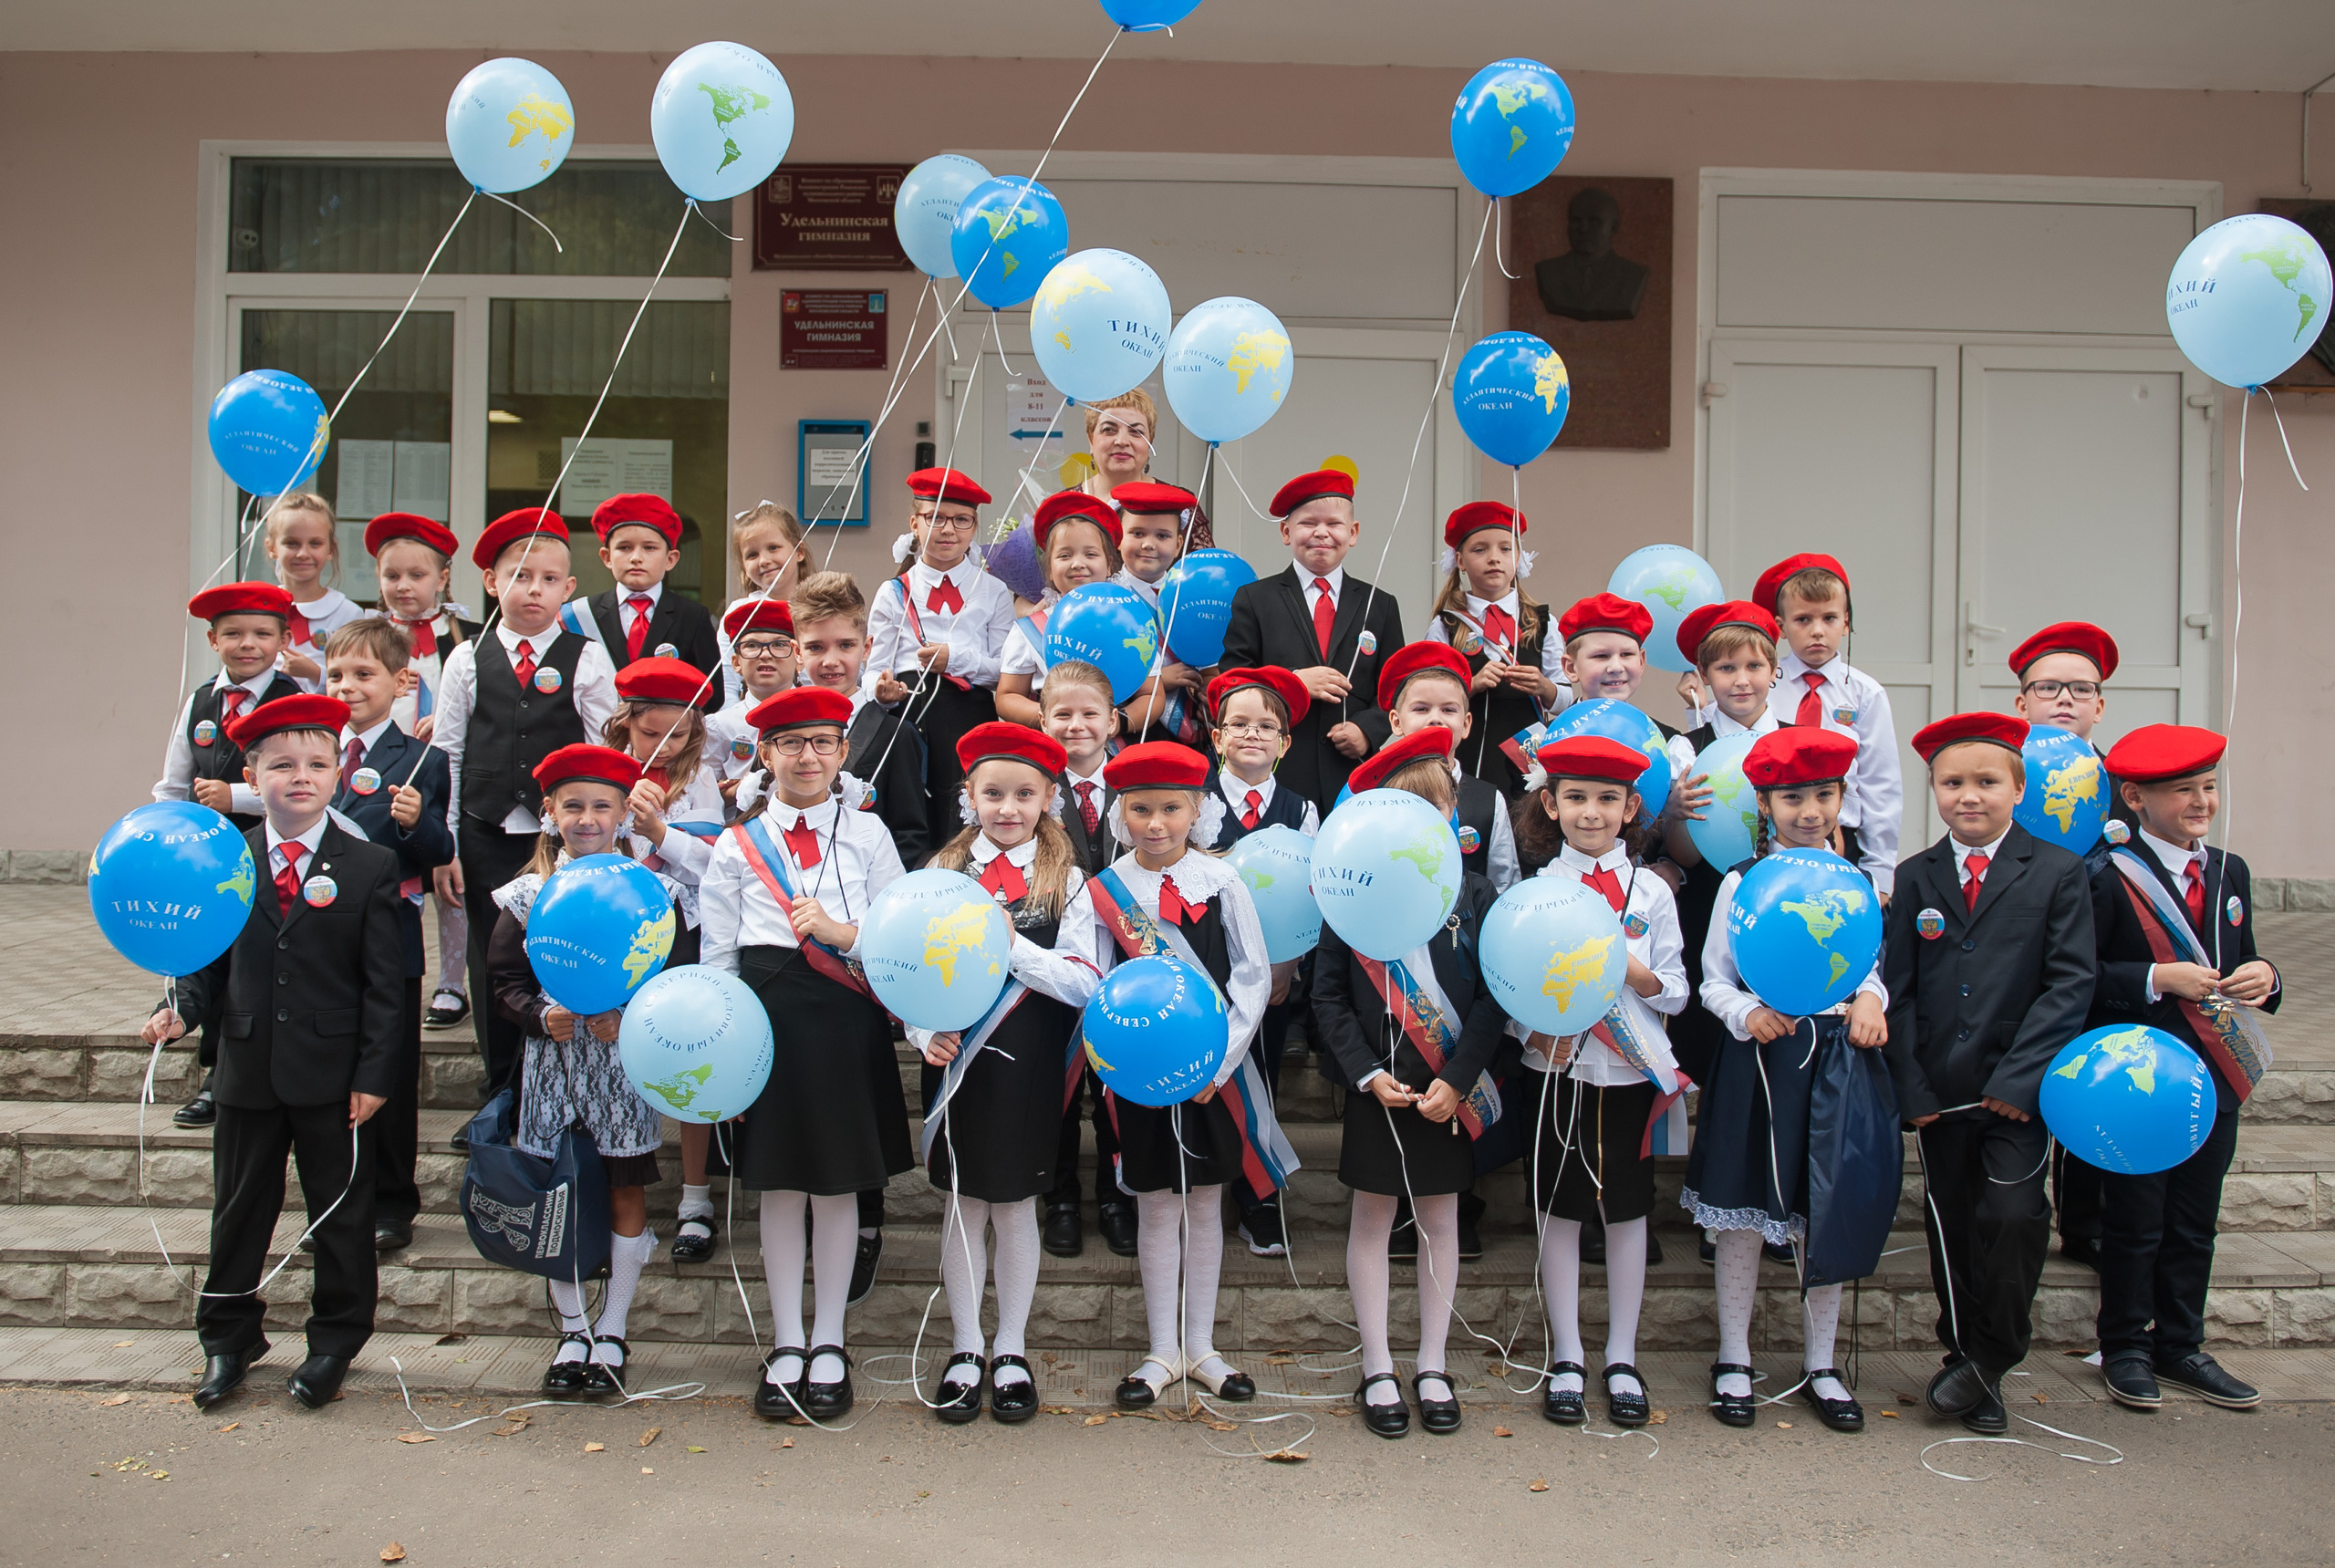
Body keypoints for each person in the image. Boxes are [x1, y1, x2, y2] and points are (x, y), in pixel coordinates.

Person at [140, 693, 403, 1413]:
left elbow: (388, 986)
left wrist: (376, 1073)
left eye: (317, 763)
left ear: (340, 772)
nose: (300, 776)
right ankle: (227, 1338)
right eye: (280, 764)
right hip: (248, 1067)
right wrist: (180, 1011)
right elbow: (204, 962)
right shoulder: (225, 861)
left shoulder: (371, 865)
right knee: (239, 1210)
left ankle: (334, 1342)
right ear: (251, 772)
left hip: (335, 1076)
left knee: (341, 1214)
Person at [1882, 711, 2096, 1435]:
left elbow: (2070, 983)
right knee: (1952, 1230)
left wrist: (2020, 1080)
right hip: (1942, 1094)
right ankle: (1973, 1364)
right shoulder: (1916, 877)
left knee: (2010, 1218)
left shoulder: (2059, 872)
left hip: (2018, 1094)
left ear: (2019, 786)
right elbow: (1899, 990)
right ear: (1934, 789)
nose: (1968, 796)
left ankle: (1992, 1354)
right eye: (1951, 782)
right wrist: (1911, 1086)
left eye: (1985, 781)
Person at [701, 686, 911, 1422]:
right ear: (765, 754)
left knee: (838, 1182)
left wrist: (839, 927)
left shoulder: (870, 835)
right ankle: (786, 1340)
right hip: (768, 1016)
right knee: (781, 1184)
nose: (808, 756)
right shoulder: (735, 844)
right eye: (791, 743)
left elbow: (897, 934)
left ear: (843, 752)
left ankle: (830, 1340)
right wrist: (724, 1040)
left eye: (823, 742)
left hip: (844, 1017)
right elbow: (718, 954)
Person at [1310, 727, 1508, 1438]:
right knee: (1370, 1219)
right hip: (1381, 1086)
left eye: (1440, 810)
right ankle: (1378, 1365)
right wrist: (1364, 1071)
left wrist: (1458, 1079)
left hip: (1447, 1088)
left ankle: (1430, 1361)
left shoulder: (1477, 896)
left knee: (1440, 1222)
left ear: (1456, 815)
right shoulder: (1349, 896)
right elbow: (1327, 995)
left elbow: (1492, 998)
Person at [1691, 726, 1888, 1434]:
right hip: (1759, 1059)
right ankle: (1734, 1354)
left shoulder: (1858, 882)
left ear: (1842, 798)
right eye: (1793, 797)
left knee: (1821, 1211)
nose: (1810, 810)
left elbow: (1867, 964)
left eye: (1824, 794)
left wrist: (1872, 999)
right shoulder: (1743, 881)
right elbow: (1712, 977)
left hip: (1835, 1059)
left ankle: (1821, 1361)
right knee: (1743, 1211)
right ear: (1766, 804)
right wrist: (1746, 1010)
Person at [912, 724, 1104, 1423]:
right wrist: (919, 1030)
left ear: (1049, 797)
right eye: (991, 793)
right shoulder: (939, 877)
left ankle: (1012, 1347)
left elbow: (1086, 982)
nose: (1007, 807)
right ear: (969, 796)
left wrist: (1010, 943)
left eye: (1024, 794)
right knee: (964, 1202)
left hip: (1030, 1062)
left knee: (1017, 1205)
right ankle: (966, 1349)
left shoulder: (1070, 881)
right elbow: (905, 972)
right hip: (957, 1062)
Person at [2087, 723, 2280, 1413]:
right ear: (2136, 797)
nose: (2202, 801)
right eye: (2183, 790)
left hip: (2215, 1070)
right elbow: (2083, 975)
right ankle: (2125, 1345)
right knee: (2136, 1219)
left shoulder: (2231, 870)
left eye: (2208, 787)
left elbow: (2246, 955)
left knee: (2197, 1218)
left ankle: (2181, 1342)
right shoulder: (2107, 874)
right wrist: (2154, 977)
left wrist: (2267, 974)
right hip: (2141, 1075)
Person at [1083, 742, 1281, 1411]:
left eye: (1172, 807)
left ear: (1198, 808)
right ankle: (1160, 1349)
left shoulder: (1224, 883)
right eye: (1140, 809)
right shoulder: (1106, 891)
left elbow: (1253, 976)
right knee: (1155, 1203)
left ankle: (1202, 1346)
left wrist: (1217, 1062)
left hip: (1210, 1078)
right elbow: (1089, 974)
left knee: (1204, 1204)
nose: (1157, 823)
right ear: (1121, 812)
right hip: (1139, 1074)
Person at [487, 743, 690, 1394]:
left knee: (626, 1189)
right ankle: (573, 1329)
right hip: (551, 1071)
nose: (587, 817)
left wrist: (630, 1014)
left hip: (621, 1072)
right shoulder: (526, 894)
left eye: (602, 805)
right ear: (549, 812)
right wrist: (535, 1014)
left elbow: (678, 978)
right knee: (557, 1197)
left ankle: (615, 1329)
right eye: (572, 805)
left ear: (623, 813)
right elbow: (503, 979)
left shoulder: (653, 893)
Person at [1510, 733, 1687, 1429]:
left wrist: (1631, 970)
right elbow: (1510, 982)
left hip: (1628, 1069)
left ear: (1631, 806)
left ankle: (1621, 1353)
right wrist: (1532, 1031)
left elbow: (1675, 990)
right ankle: (1569, 1355)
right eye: (1576, 797)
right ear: (1550, 803)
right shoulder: (1535, 891)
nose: (1591, 813)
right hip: (1556, 1070)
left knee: (1628, 1208)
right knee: (1560, 1207)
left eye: (1607, 799)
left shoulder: (1656, 893)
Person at [431, 509, 621, 1103]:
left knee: (554, 957)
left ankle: (556, 1091)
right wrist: (447, 844)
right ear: (492, 582)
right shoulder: (467, 658)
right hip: (485, 832)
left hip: (557, 839)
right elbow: (449, 754)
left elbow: (605, 750)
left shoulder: (585, 656)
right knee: (494, 964)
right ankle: (500, 1093)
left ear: (568, 588)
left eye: (547, 579)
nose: (532, 589)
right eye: (519, 575)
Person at [322, 618, 454, 1253]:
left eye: (363, 674)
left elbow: (438, 849)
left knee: (390, 1074)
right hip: (322, 940)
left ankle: (392, 1202)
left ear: (402, 681)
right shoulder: (315, 750)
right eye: (337, 674)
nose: (348, 686)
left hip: (388, 937)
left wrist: (415, 822)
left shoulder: (422, 757)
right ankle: (338, 1201)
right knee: (331, 1070)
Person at [155, 581, 305, 1128]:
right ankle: (216, 1076)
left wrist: (236, 796)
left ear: (284, 639)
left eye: (263, 634)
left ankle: (256, 1076)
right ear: (214, 639)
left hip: (275, 852)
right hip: (207, 860)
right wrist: (166, 838)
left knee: (258, 966)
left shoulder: (293, 699)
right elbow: (174, 783)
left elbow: (306, 778)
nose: (249, 644)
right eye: (234, 634)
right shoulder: (200, 701)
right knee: (212, 959)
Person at [2009, 620, 2121, 1269]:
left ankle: (2087, 1225)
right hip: (2016, 969)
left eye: (2081, 688)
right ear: (2021, 702)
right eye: (2048, 686)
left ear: (2100, 705)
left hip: (2098, 968)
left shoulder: (2121, 783)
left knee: (2094, 1087)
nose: (2065, 700)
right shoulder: (2002, 775)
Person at [1205, 665, 1319, 1259]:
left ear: (1285, 742)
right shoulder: (1195, 800)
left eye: (1267, 726)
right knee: (1207, 1077)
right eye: (1239, 723)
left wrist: (1288, 966)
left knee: (1261, 1083)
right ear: (1217, 734)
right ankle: (1205, 1188)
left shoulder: (1301, 809)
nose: (1253, 734)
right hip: (1203, 973)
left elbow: (1309, 889)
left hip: (1272, 978)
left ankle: (1260, 1197)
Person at [1220, 468, 1404, 810]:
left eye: (1334, 524)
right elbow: (1231, 683)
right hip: (1275, 774)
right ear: (1286, 532)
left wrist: (1369, 731)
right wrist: (1290, 682)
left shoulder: (1380, 604)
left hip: (1353, 774)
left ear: (1353, 533)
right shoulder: (1255, 599)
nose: (1322, 533)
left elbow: (1397, 687)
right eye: (1308, 524)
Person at [367, 512, 483, 1035]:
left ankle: (452, 983)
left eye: (417, 575)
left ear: (443, 578)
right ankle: (386, 978)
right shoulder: (366, 639)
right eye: (392, 576)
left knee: (448, 876)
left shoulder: (474, 639)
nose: (404, 586)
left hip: (445, 776)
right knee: (388, 880)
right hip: (385, 777)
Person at [1036, 659, 1131, 1259]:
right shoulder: (1033, 791)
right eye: (1062, 714)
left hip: (1127, 959)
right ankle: (1062, 1197)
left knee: (1115, 1087)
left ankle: (1117, 1196)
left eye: (1089, 713)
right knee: (1061, 1089)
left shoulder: (1136, 786)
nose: (1076, 724)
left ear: (1112, 720)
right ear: (1043, 719)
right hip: (1057, 964)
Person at [867, 469, 1014, 846]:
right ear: (915, 523)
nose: (948, 530)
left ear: (973, 526)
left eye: (961, 520)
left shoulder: (994, 591)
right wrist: (881, 691)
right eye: (935, 517)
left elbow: (1005, 671)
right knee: (911, 813)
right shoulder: (893, 592)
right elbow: (872, 670)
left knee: (960, 818)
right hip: (908, 721)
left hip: (968, 717)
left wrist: (957, 661)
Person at [1755, 553, 1901, 898]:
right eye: (1803, 619)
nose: (1817, 631)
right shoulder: (1764, 683)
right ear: (1781, 627)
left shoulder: (1866, 693)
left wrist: (1880, 870)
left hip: (1841, 836)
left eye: (1830, 618)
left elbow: (1882, 785)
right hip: (1769, 834)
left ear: (1847, 622)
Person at [794, 570, 931, 877]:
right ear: (797, 653)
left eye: (845, 645)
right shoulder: (779, 729)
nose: (831, 660)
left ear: (867, 648)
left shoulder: (896, 735)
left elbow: (909, 835)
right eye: (816, 647)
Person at [1427, 501, 1567, 795]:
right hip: (1467, 759)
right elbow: (1429, 694)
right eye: (1480, 550)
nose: (1494, 559)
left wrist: (1543, 687)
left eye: (1505, 549)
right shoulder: (1447, 625)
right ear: (1460, 561)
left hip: (1530, 766)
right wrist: (1471, 685)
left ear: (1519, 558)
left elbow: (1565, 700)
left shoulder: (1542, 623)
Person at [1375, 640, 1520, 891]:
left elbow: (1504, 883)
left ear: (1465, 724)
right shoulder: (1375, 794)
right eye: (1421, 709)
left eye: (1448, 710)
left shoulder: (1489, 800)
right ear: (1397, 722)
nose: (1435, 719)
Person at [564, 493, 722, 706]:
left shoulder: (692, 616)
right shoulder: (580, 615)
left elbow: (712, 694)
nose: (636, 557)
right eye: (624, 547)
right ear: (607, 557)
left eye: (649, 548)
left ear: (670, 559)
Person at [997, 490, 1122, 728]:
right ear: (1051, 571)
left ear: (1109, 565)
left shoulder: (1128, 622)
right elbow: (1007, 697)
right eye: (1064, 555)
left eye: (1091, 554)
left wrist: (1120, 723)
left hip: (1117, 744)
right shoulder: (1030, 629)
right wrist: (1057, 717)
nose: (1077, 563)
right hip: (1051, 745)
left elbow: (1150, 694)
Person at [1111, 481, 1209, 745]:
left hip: (1191, 728)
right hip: (1129, 726)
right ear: (1118, 538)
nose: (1148, 545)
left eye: (1162, 536)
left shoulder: (1193, 595)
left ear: (1179, 544)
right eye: (1138, 533)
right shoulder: (1107, 599)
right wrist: (1160, 680)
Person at [1075, 389, 1214, 550]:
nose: (1122, 441)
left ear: (1150, 442)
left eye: (1136, 432)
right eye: (1109, 430)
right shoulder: (1064, 506)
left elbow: (1205, 571)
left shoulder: (1179, 505)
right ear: (1090, 439)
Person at [704, 598, 800, 812]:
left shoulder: (816, 717)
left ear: (799, 656)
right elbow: (703, 801)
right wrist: (740, 789)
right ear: (736, 662)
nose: (765, 654)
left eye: (779, 645)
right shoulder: (719, 725)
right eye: (752, 646)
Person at [264, 493, 364, 693]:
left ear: (330, 549)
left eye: (315, 544)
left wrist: (314, 672)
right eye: (292, 543)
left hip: (324, 721)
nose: (303, 553)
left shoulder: (348, 613)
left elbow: (358, 678)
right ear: (272, 548)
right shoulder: (261, 608)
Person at [717, 502, 807, 706]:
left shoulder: (819, 607)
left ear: (799, 551)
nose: (763, 560)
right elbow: (727, 684)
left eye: (773, 548)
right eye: (752, 555)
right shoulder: (739, 612)